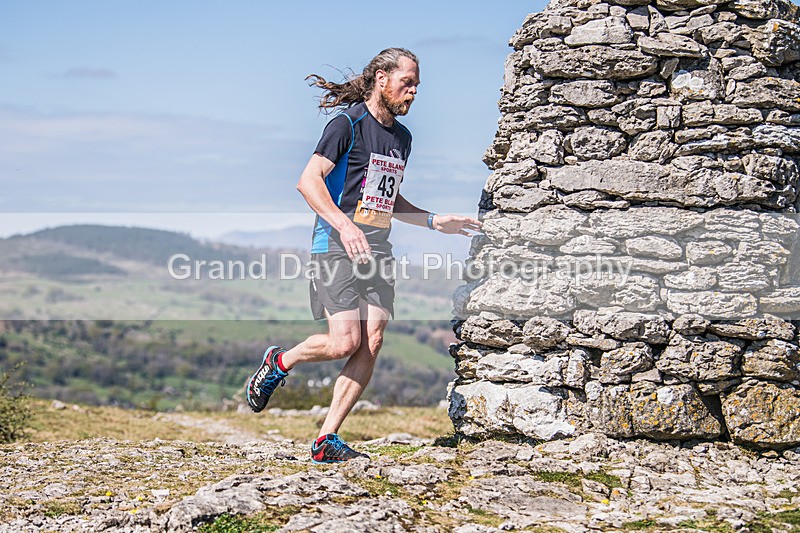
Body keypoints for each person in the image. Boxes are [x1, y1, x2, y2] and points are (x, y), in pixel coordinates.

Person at [246, 47, 481, 463]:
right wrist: (345, 224)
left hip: (378, 248)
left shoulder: (402, 139)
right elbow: (308, 181)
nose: (412, 93)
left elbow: (387, 199)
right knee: (344, 341)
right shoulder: (347, 125)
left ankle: (325, 439)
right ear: (381, 79)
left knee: (371, 340)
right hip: (335, 245)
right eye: (407, 83)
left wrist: (432, 221)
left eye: (417, 86)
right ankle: (282, 360)